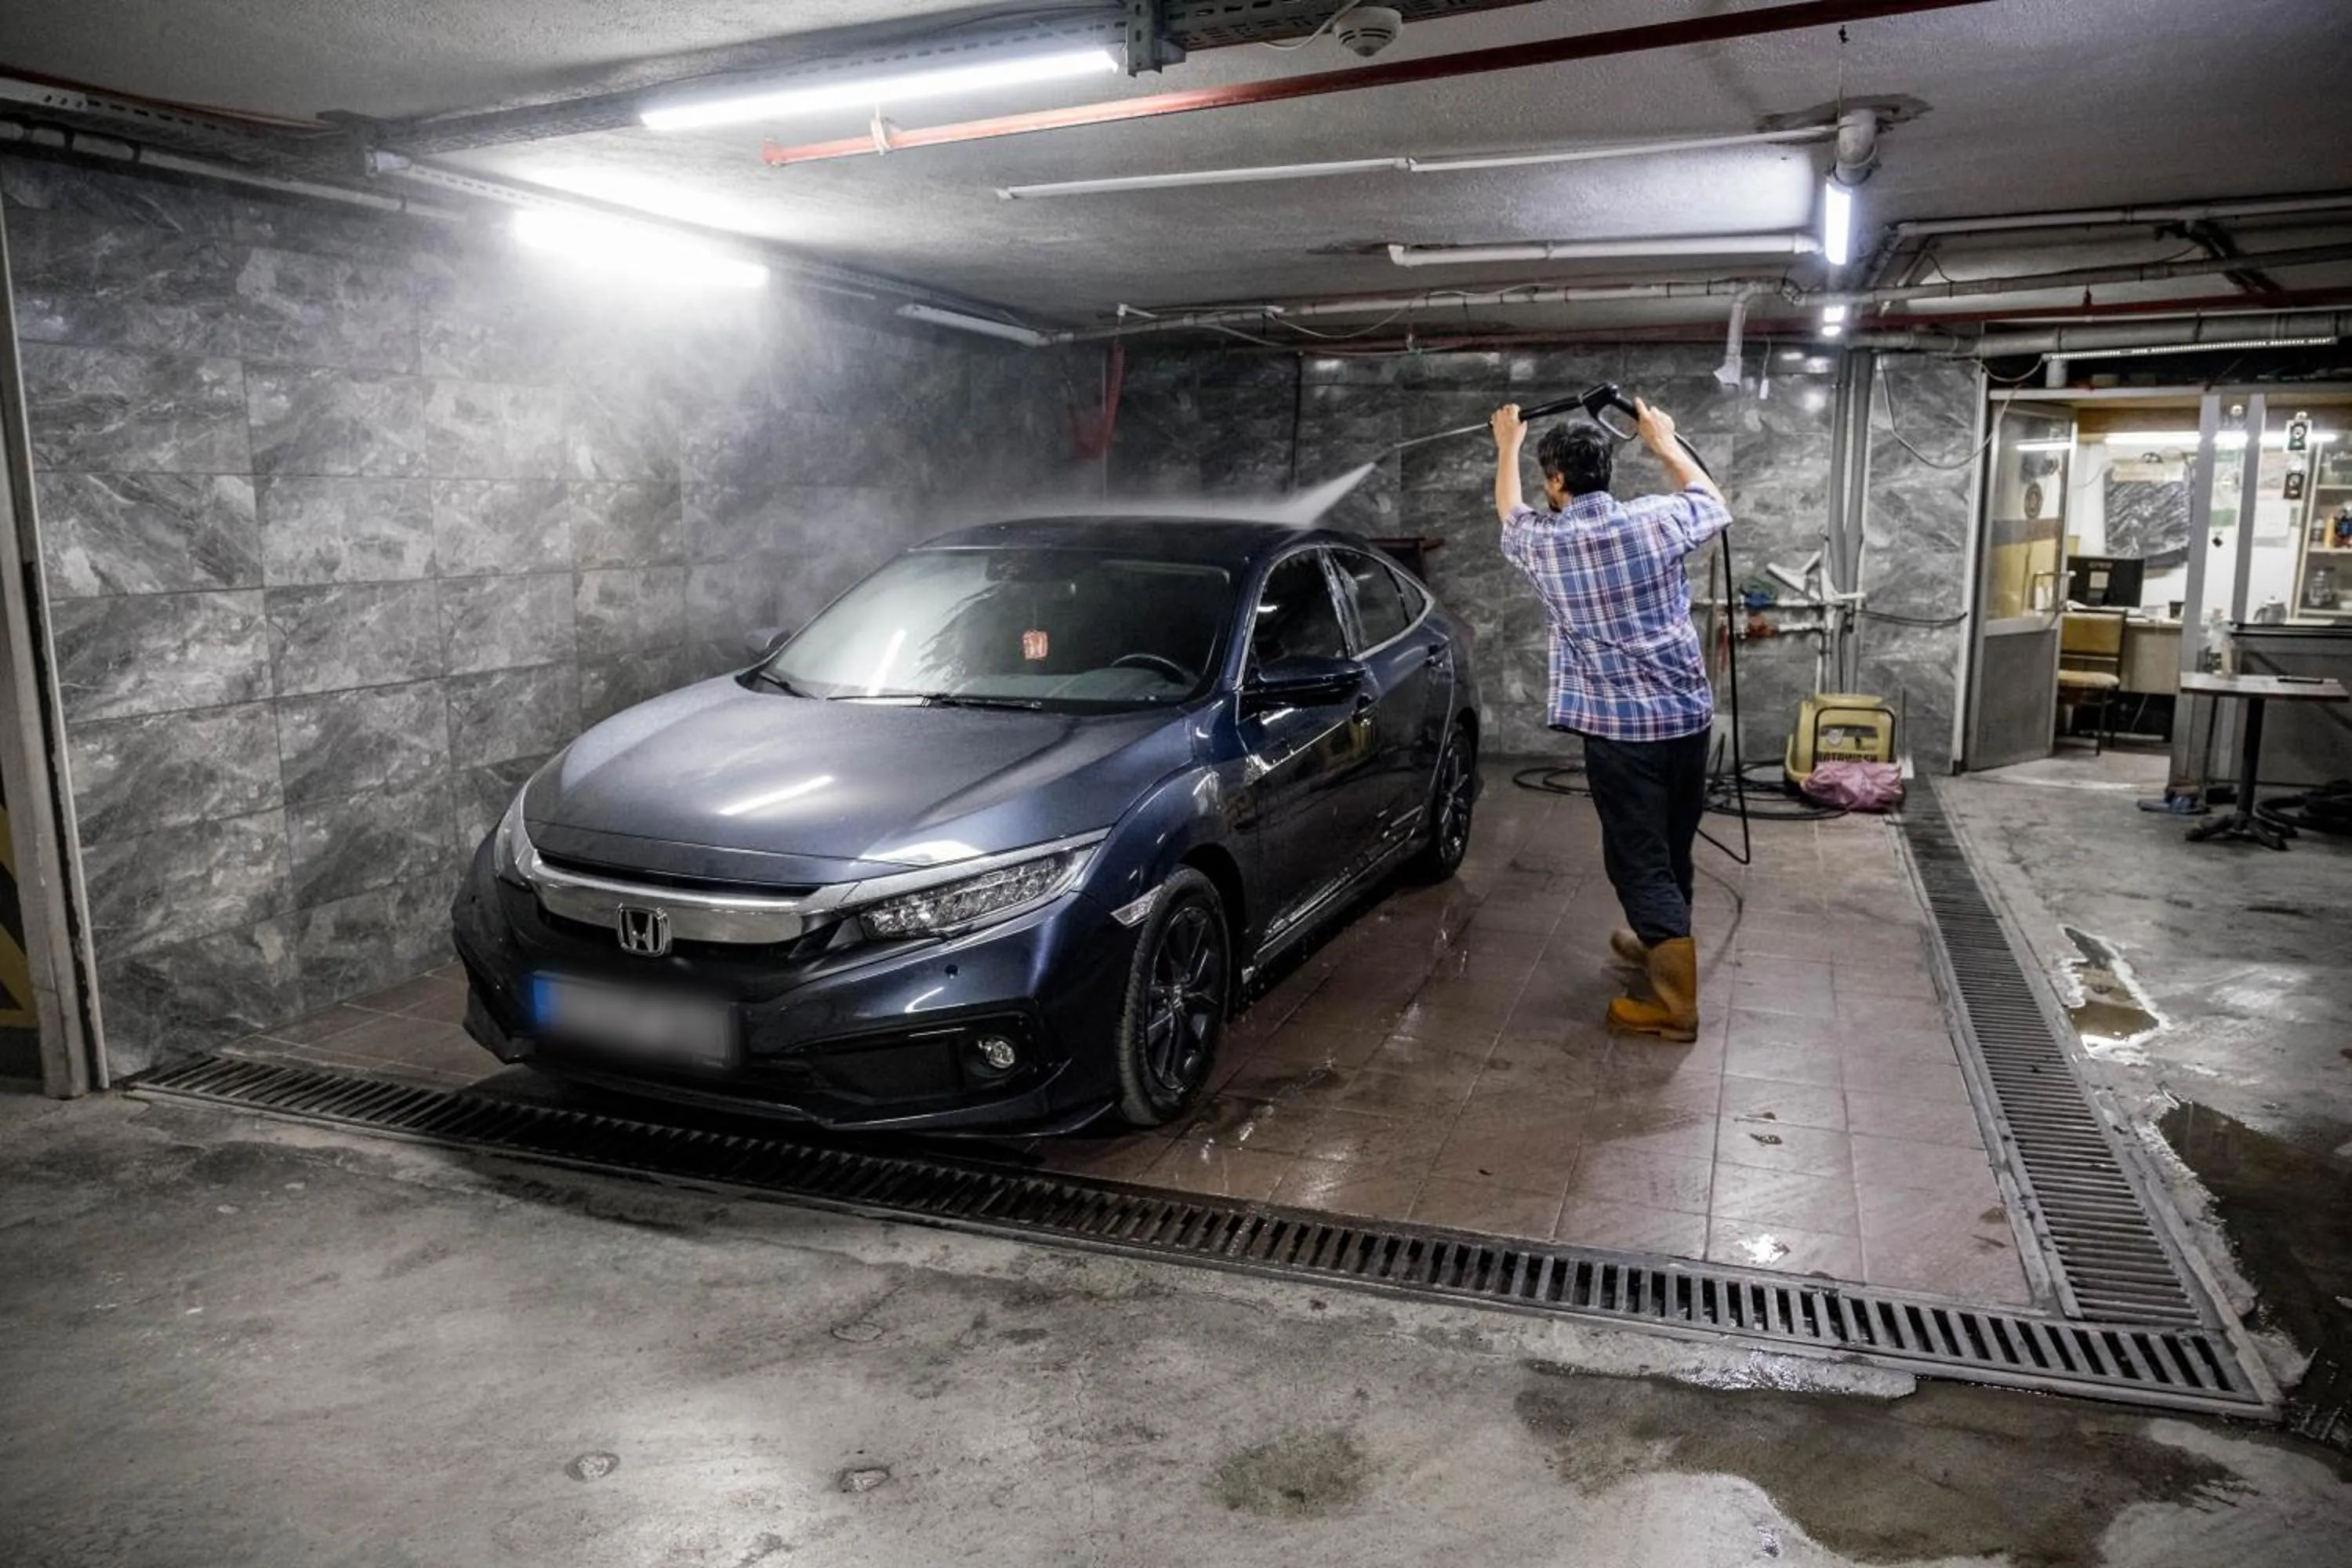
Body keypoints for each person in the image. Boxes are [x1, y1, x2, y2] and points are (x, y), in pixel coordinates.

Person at [1489, 398, 1731, 1042]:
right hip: (1687, 720)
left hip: (1621, 735)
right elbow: (1712, 501)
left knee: (1636, 856)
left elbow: (1508, 513)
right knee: (1672, 842)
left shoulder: (1547, 543)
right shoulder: (1654, 520)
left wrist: (1509, 444)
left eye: (1548, 477)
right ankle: (1662, 939)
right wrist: (1662, 440)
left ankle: (1675, 1007)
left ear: (1558, 482)